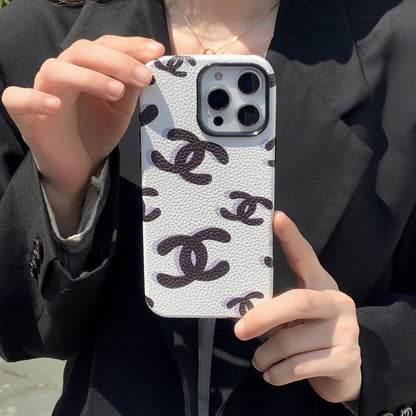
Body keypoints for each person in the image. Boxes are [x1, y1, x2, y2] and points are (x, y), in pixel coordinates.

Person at [0, 0, 415, 414]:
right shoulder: (37, 36)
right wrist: (64, 193)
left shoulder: (405, 52)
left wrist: (373, 354)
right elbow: (18, 330)